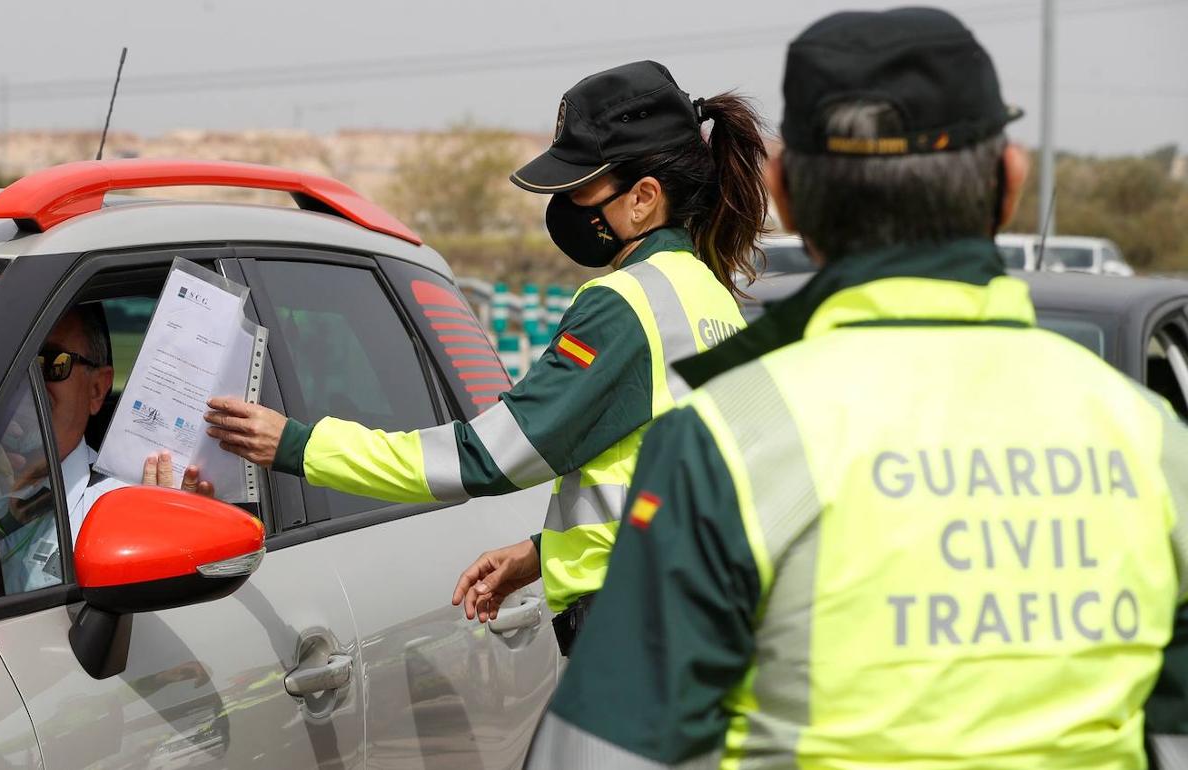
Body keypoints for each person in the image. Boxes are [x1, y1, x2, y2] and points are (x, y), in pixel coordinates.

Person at [524, 8, 1188, 769]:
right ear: (1010, 181)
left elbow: (599, 753)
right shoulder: (1156, 443)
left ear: (787, 194)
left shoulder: (724, 443)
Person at [202, 60, 766, 654]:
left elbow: (487, 458)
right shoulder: (710, 298)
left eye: (578, 190)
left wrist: (298, 447)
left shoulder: (624, 306)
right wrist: (543, 553)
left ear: (644, 199)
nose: (565, 208)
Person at [0, 304, 211, 593]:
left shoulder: (126, 513)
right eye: (8, 364)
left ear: (97, 389)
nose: (23, 383)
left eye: (52, 362)